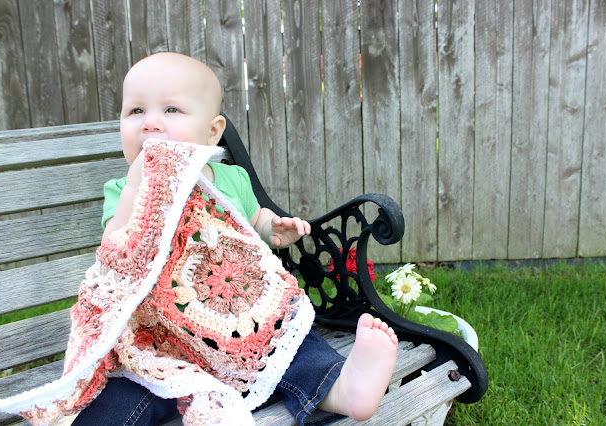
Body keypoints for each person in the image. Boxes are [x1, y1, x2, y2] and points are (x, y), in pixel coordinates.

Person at [75, 52, 398, 425]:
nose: (150, 124)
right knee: (125, 390)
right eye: (135, 112)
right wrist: (137, 187)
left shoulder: (230, 181)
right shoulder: (123, 190)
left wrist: (271, 228)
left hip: (240, 317)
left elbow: (250, 220)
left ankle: (341, 386)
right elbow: (117, 249)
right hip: (164, 338)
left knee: (289, 343)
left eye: (171, 110)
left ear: (212, 132)